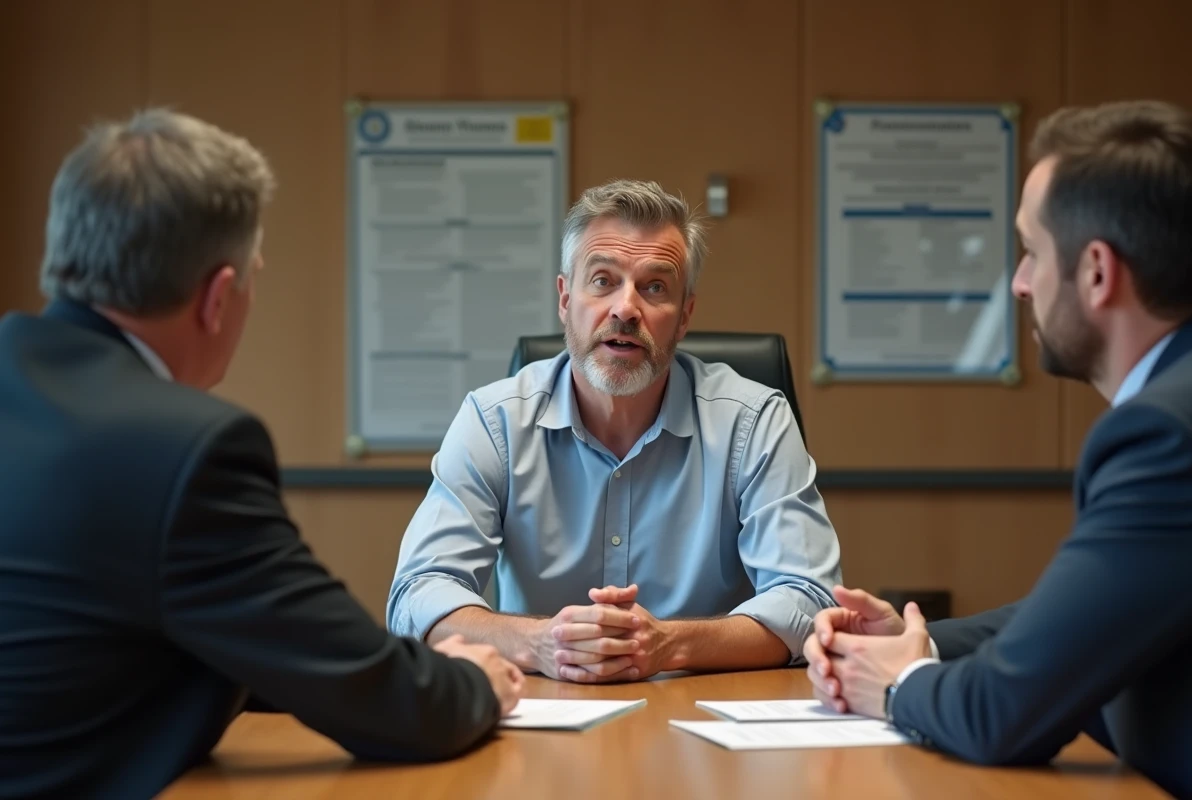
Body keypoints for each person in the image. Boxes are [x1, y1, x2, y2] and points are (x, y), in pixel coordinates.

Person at [0, 109, 524, 799]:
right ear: (219, 297)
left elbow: (234, 640)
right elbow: (377, 697)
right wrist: (473, 682)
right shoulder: (180, 450)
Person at [802, 100, 1192, 800]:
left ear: (1098, 273)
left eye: (1032, 252)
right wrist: (917, 638)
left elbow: (1001, 716)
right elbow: (1098, 609)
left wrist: (900, 684)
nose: (1018, 283)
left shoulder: (1167, 434)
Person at [388, 178, 842, 684]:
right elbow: (419, 594)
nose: (626, 309)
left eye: (654, 287)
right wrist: (540, 643)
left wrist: (671, 644)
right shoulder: (494, 422)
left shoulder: (753, 422)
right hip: (541, 722)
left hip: (709, 725)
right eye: (603, 280)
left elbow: (809, 599)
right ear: (565, 299)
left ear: (685, 315)